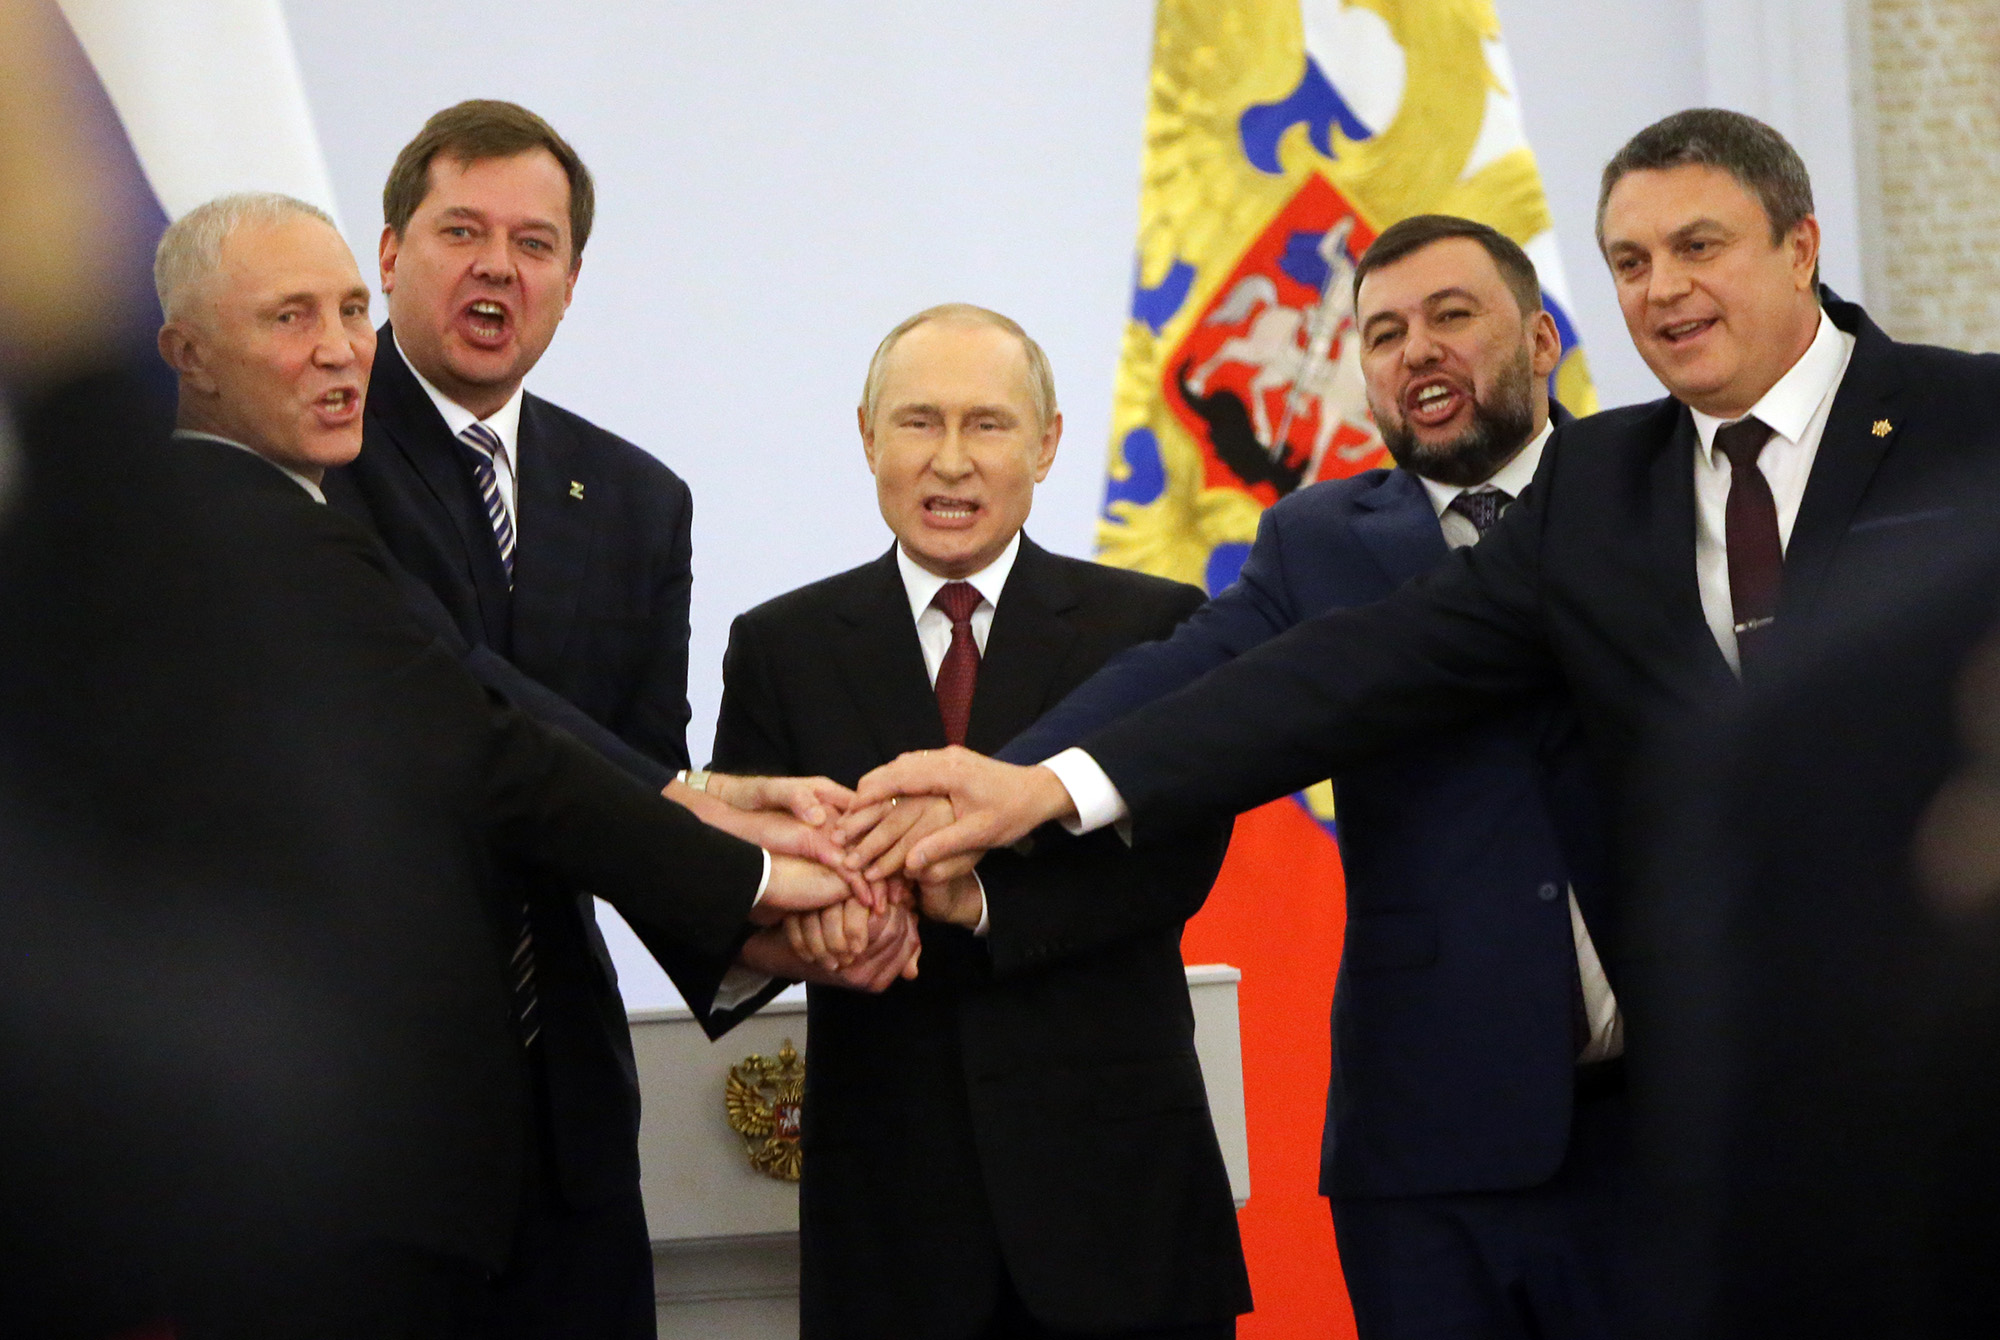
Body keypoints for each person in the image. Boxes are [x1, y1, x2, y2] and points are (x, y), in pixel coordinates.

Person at [847, 109, 2000, 1306]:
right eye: (1629, 261)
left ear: (1800, 244)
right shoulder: (1603, 486)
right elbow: (1338, 666)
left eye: (1698, 246)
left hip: (1925, 1081)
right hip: (1597, 1125)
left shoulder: (1970, 423)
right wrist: (1042, 781)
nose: (1661, 290)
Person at [125, 190, 857, 1335]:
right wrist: (756, 880)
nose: (333, 347)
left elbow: (507, 726)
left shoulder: (310, 512)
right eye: (286, 317)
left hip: (514, 1147)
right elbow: (487, 751)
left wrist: (709, 818)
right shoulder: (246, 529)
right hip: (331, 1163)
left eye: (346, 312)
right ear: (187, 353)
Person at [956, 215, 1621, 1340]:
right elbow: (1184, 680)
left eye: (1450, 316)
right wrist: (1000, 784)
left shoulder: (1646, 491)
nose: (1415, 351)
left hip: (1670, 1120)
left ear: (1542, 335)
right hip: (1432, 1137)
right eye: (1381, 334)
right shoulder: (1318, 540)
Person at [709, 304, 1250, 1339]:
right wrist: (803, 924)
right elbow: (739, 866)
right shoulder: (780, 643)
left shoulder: (1150, 625)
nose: (948, 461)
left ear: (1046, 443)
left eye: (987, 425)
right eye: (916, 422)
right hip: (891, 1215)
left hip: (1114, 1201)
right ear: (865, 435)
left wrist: (983, 898)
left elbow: (1174, 865)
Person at [320, 101, 725, 1338]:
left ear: (570, 279)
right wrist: (718, 832)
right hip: (355, 1107)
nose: (500, 264)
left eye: (535, 242)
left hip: (569, 1123)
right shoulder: (315, 457)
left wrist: (774, 915)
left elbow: (643, 776)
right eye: (463, 230)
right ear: (388, 255)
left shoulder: (640, 500)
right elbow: (458, 705)